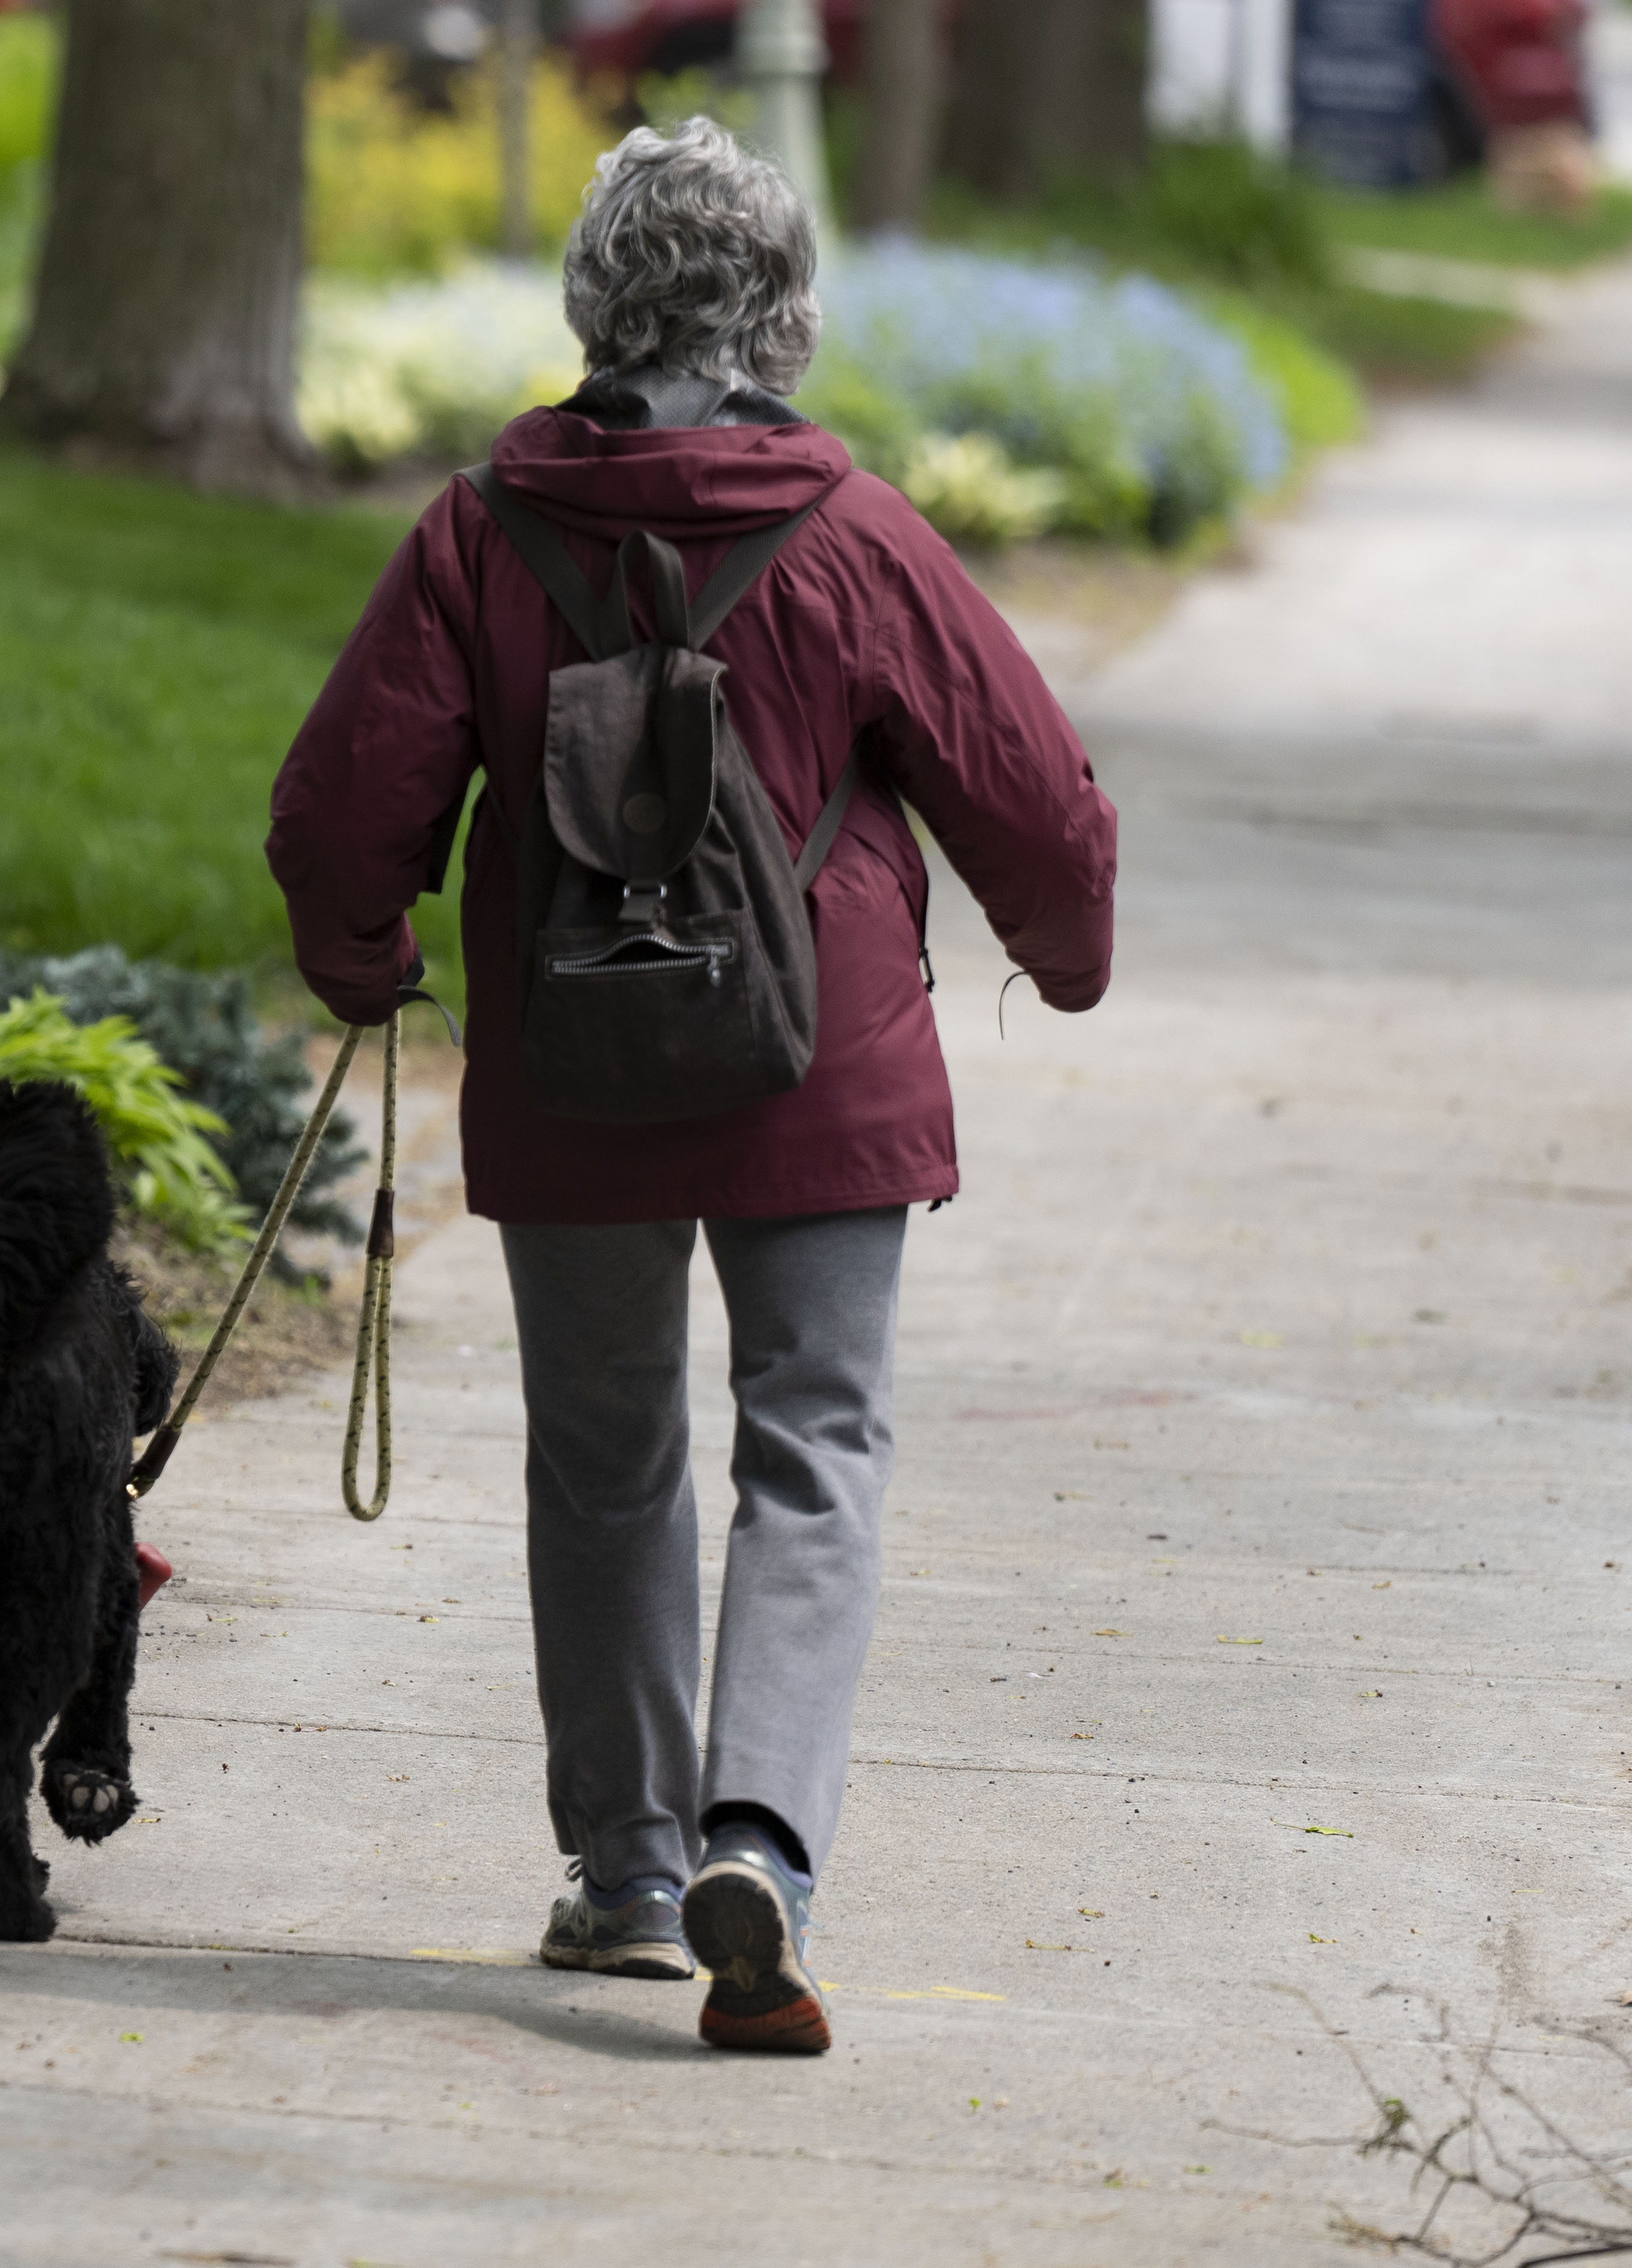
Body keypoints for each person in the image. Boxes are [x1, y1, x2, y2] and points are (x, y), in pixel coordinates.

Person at [265, 117, 1119, 2055]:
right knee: (813, 1442)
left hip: (575, 1074)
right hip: (820, 1066)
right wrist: (1061, 964)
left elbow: (342, 807)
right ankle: (763, 1844)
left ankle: (635, 1870)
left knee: (610, 1453)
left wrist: (365, 962)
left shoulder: (484, 532)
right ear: (786, 311)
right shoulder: (858, 531)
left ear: (593, 299)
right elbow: (1036, 796)